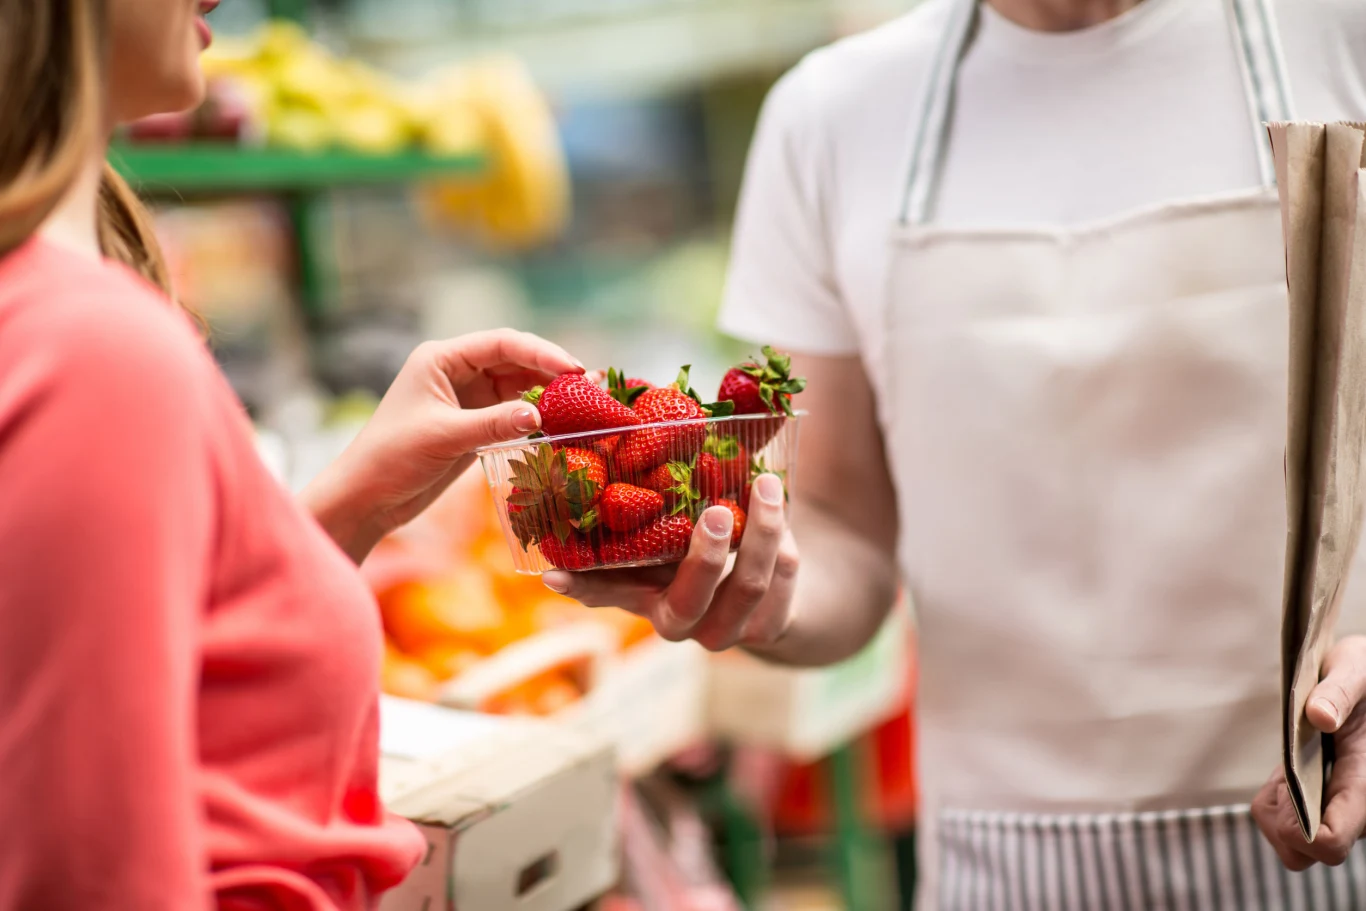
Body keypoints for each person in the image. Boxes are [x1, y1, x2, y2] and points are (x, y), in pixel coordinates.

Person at [548, 0, 1366, 907]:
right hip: (1000, 864)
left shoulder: (1340, 36)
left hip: (1337, 829)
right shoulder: (831, 115)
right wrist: (759, 589)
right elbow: (843, 523)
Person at [0, 1, 600, 907]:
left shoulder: (67, 316)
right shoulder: (97, 350)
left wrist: (358, 502)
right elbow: (93, 880)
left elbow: (178, 689)